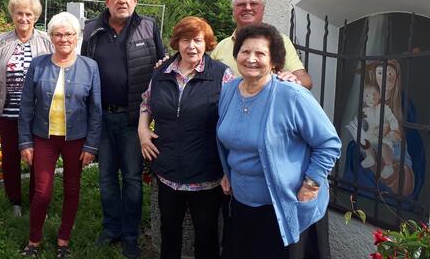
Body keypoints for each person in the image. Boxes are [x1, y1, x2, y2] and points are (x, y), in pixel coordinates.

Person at [216, 23, 341, 259]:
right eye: (245, 51)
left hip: (284, 206)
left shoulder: (292, 95)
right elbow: (231, 138)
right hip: (242, 204)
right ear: (237, 55)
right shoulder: (229, 90)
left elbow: (329, 143)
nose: (251, 59)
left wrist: (311, 185)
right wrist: (228, 170)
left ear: (274, 61)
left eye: (260, 53)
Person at [81, 0, 166, 258]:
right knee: (106, 178)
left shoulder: (148, 27)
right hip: (102, 118)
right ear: (107, 1)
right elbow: (82, 69)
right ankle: (110, 229)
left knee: (131, 178)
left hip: (134, 120)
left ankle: (130, 235)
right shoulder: (91, 30)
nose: (122, 0)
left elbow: (163, 67)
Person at [138, 17, 233, 258]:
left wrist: (230, 168)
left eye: (198, 40)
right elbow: (147, 102)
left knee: (206, 236)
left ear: (207, 43)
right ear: (177, 42)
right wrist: (142, 131)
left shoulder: (222, 75)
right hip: (168, 172)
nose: (192, 46)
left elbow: (234, 122)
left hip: (206, 175)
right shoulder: (162, 71)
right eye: (186, 40)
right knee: (169, 233)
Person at [17, 12, 101, 258]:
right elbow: (26, 106)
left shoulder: (90, 66)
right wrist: (25, 141)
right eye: (58, 34)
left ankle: (63, 241)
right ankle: (34, 240)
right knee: (42, 193)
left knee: (72, 189)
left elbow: (96, 110)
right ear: (51, 37)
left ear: (77, 37)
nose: (64, 39)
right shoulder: (38, 64)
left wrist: (92, 146)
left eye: (69, 34)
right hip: (44, 138)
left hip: (77, 140)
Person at [0, 0, 53, 216]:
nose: (24, 18)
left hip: (38, 113)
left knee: (39, 157)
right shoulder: (0, 41)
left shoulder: (46, 41)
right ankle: (14, 200)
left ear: (35, 16)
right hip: (8, 110)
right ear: (12, 15)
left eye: (29, 14)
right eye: (19, 14)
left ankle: (37, 198)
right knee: (11, 157)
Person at [344, 59, 424, 198]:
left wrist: (390, 131)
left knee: (400, 177)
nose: (386, 78)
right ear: (375, 75)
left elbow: (410, 136)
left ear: (396, 77)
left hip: (395, 149)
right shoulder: (371, 98)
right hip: (373, 144)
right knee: (354, 149)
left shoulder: (404, 103)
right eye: (381, 73)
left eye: (390, 74)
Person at [211, 0, 312, 89]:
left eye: (253, 3)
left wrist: (293, 80)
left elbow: (305, 80)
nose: (247, 8)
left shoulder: (278, 41)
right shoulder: (221, 47)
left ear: (263, 9)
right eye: (241, 4)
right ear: (233, 10)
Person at [354, 84, 400, 178]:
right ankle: (370, 157)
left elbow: (392, 119)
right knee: (364, 140)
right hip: (371, 134)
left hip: (384, 134)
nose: (371, 97)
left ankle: (388, 165)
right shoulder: (364, 111)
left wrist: (393, 129)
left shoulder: (384, 108)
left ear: (379, 96)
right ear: (363, 98)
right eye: (367, 96)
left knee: (383, 145)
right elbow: (362, 122)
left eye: (374, 94)